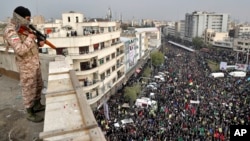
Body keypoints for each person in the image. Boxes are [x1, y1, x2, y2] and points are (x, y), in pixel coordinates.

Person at [3, 6, 45, 122]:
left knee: (38, 86)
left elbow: (31, 44)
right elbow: (20, 50)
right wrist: (30, 38)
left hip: (35, 63)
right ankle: (30, 113)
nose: (28, 21)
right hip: (26, 66)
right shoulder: (11, 30)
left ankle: (37, 105)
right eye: (27, 18)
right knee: (28, 89)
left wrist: (39, 42)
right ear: (19, 17)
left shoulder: (23, 27)